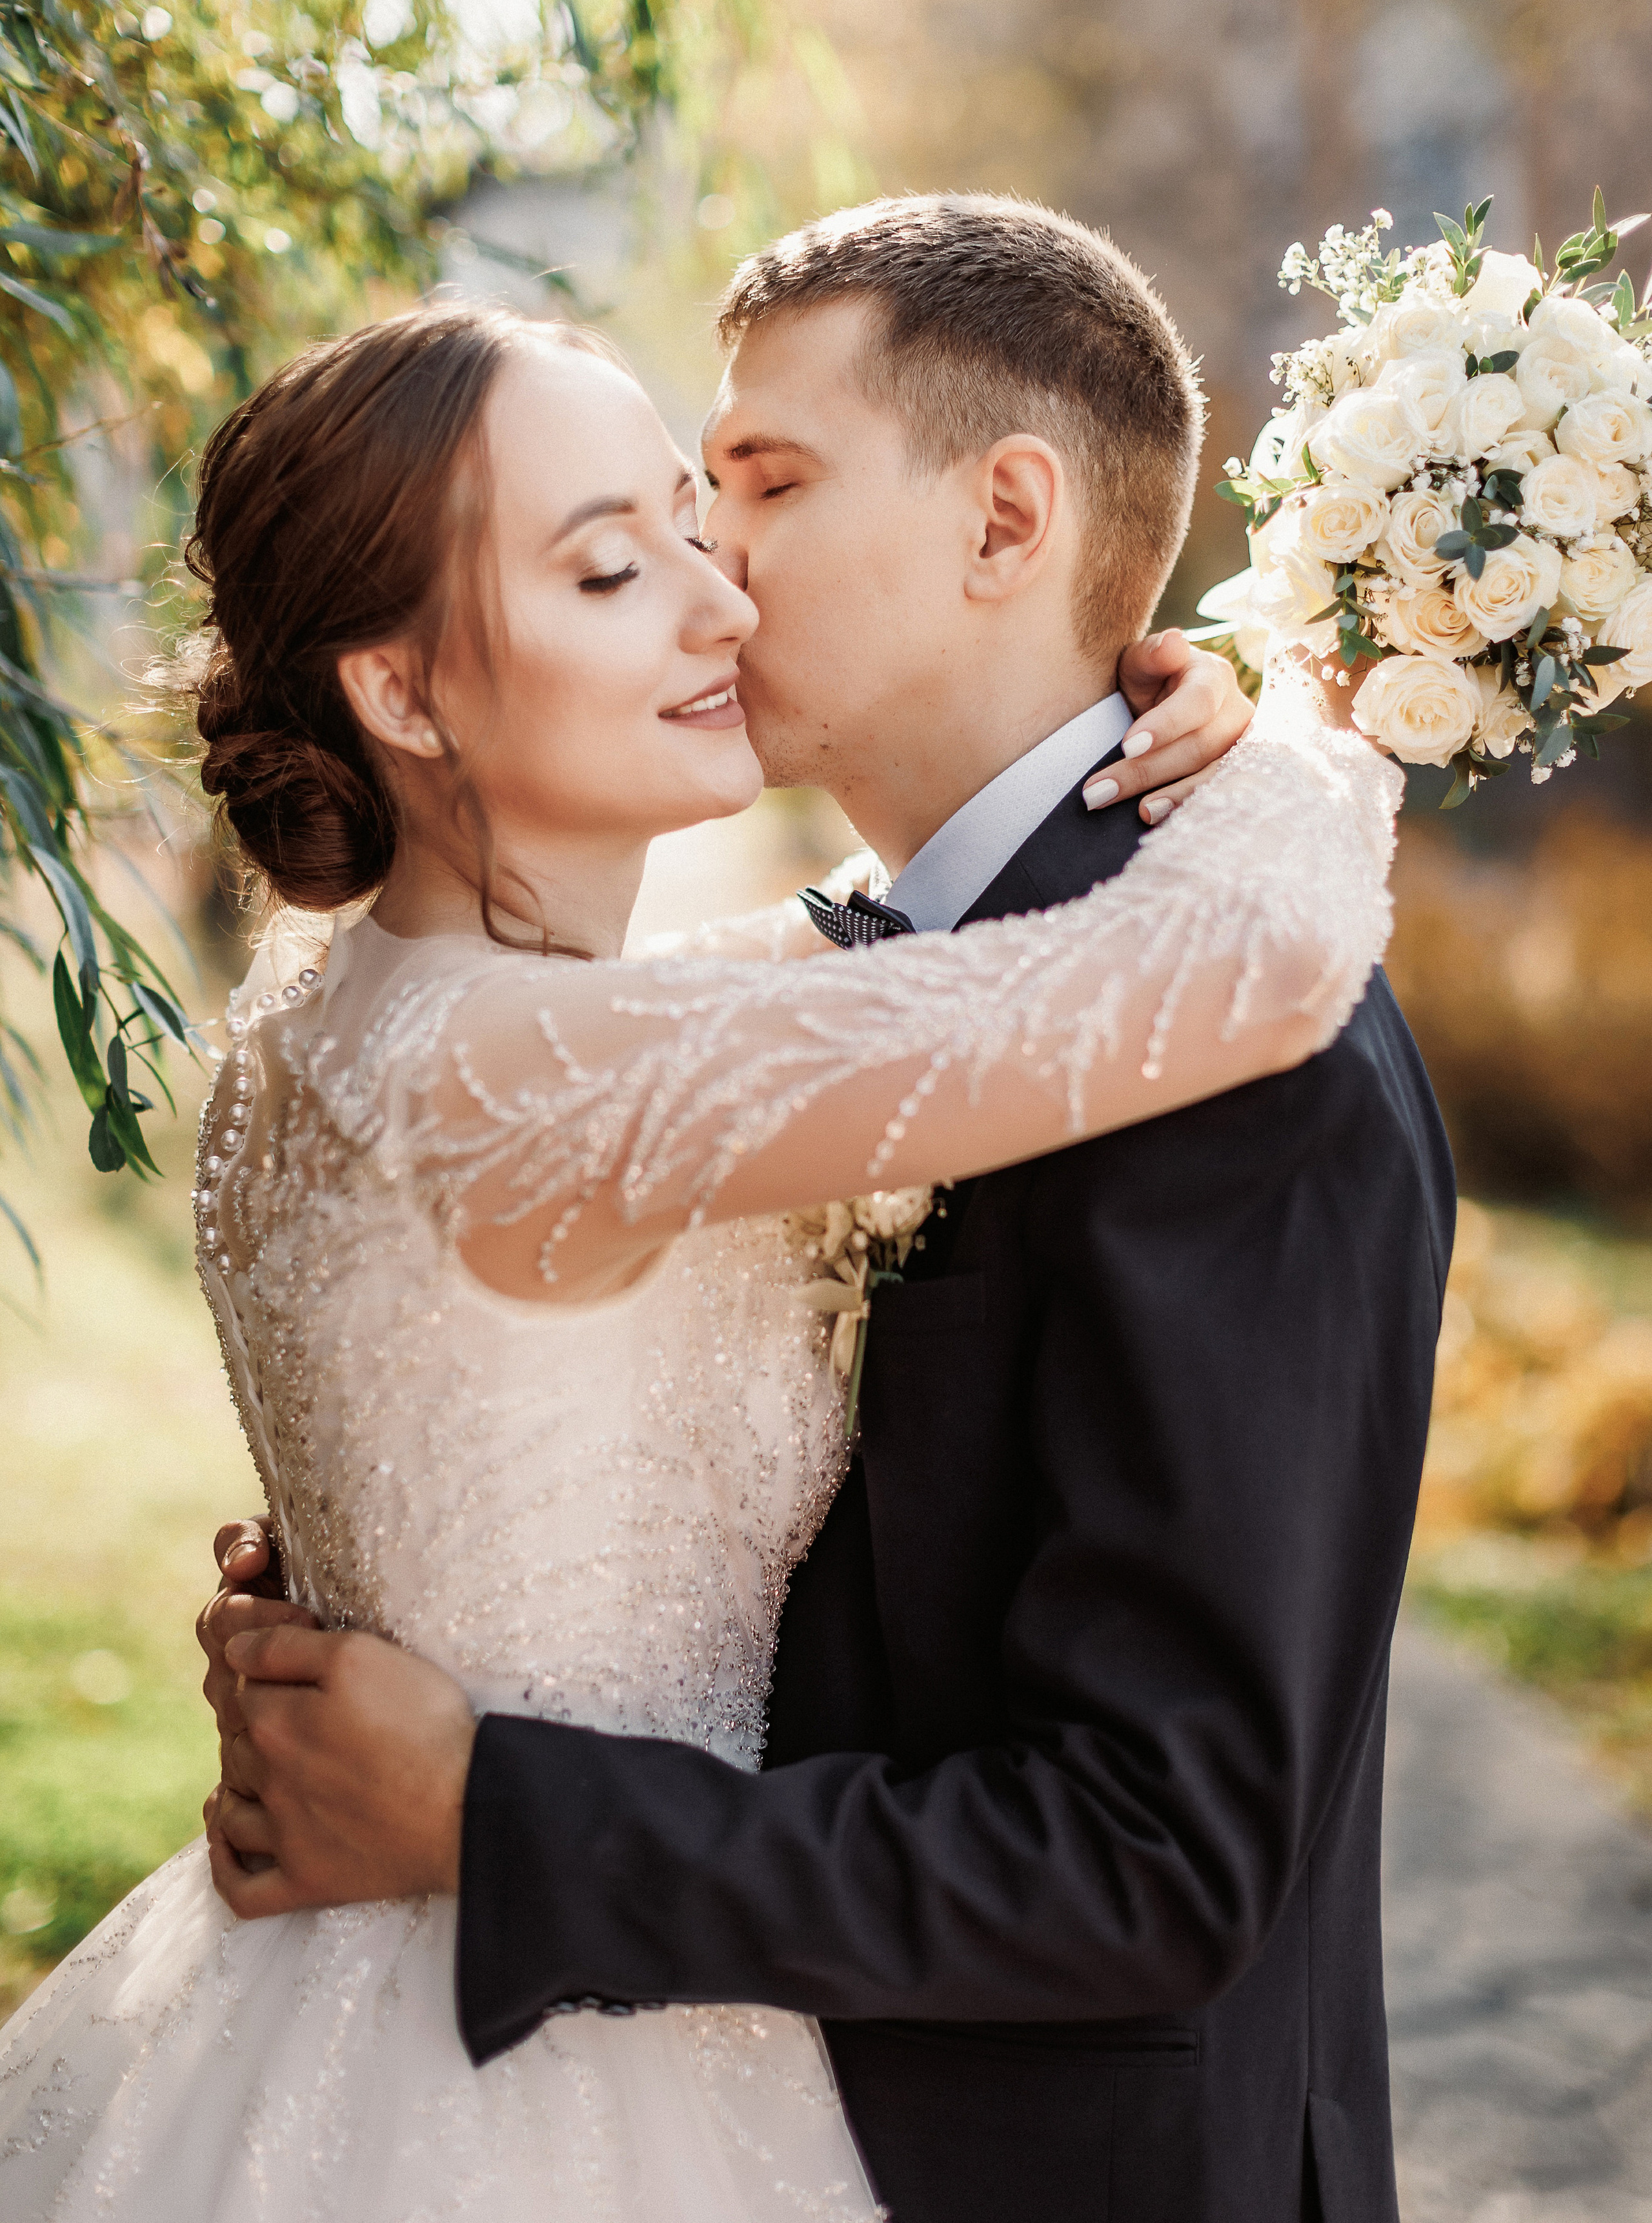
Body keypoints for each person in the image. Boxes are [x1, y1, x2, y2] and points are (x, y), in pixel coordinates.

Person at [0, 199, 1415, 2223]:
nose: (716, 591)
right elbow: (1247, 961)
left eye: (722, 502)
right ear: (403, 697)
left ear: (1004, 519)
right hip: (537, 2080)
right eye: (623, 555)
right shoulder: (534, 1072)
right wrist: (1309, 747)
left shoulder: (457, 1014)